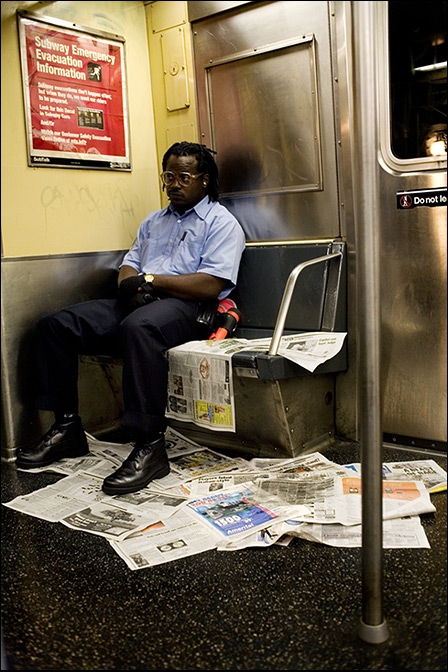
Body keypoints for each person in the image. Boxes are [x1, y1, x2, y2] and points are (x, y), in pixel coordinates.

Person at [16, 142, 246, 495]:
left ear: (204, 180)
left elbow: (211, 283)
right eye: (168, 176)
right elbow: (130, 264)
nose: (174, 184)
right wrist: (131, 286)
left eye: (184, 176)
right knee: (56, 325)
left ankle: (150, 444)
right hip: (142, 300)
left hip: (190, 306)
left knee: (140, 328)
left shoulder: (221, 223)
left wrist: (152, 281)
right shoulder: (154, 221)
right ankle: (67, 428)